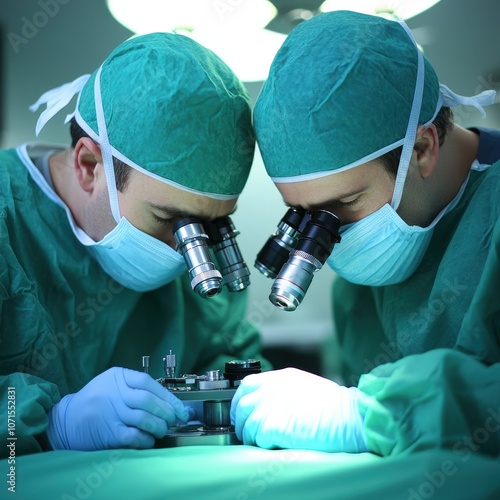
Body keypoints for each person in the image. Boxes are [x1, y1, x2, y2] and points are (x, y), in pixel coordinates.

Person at [230, 10, 500, 458]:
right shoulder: (368, 279)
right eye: (301, 214)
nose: (326, 236)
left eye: (342, 206)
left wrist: (374, 415)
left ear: (423, 147)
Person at [0, 32, 270, 457]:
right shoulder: (6, 221)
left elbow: (227, 359)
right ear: (89, 166)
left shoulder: (200, 261)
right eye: (169, 220)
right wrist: (53, 423)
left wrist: (244, 401)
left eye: (212, 226)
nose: (190, 250)